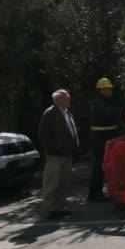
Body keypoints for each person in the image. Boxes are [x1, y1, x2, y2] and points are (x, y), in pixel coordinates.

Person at [38, 89, 81, 219]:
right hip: (55, 156)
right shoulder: (50, 113)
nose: (69, 99)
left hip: (67, 154)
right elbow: (43, 134)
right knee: (51, 183)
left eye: (68, 97)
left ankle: (58, 208)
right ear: (58, 100)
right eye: (66, 97)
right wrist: (54, 149)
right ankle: (48, 209)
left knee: (63, 182)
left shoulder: (67, 113)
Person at [87, 77, 125, 202]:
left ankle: (97, 192)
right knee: (99, 167)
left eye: (111, 89)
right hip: (100, 140)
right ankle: (95, 194)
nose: (111, 91)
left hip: (106, 139)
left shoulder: (106, 101)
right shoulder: (98, 103)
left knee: (102, 167)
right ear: (101, 90)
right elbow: (110, 112)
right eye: (108, 89)